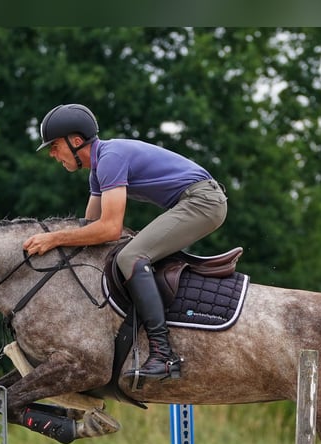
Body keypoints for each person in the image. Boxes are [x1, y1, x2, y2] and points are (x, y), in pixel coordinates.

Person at [23, 103, 227, 379]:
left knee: (130, 256)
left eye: (55, 145)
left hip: (203, 202)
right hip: (195, 201)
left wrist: (54, 238)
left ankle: (163, 355)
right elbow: (90, 227)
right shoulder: (99, 170)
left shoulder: (110, 159)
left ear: (76, 141)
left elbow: (109, 229)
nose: (52, 153)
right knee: (117, 254)